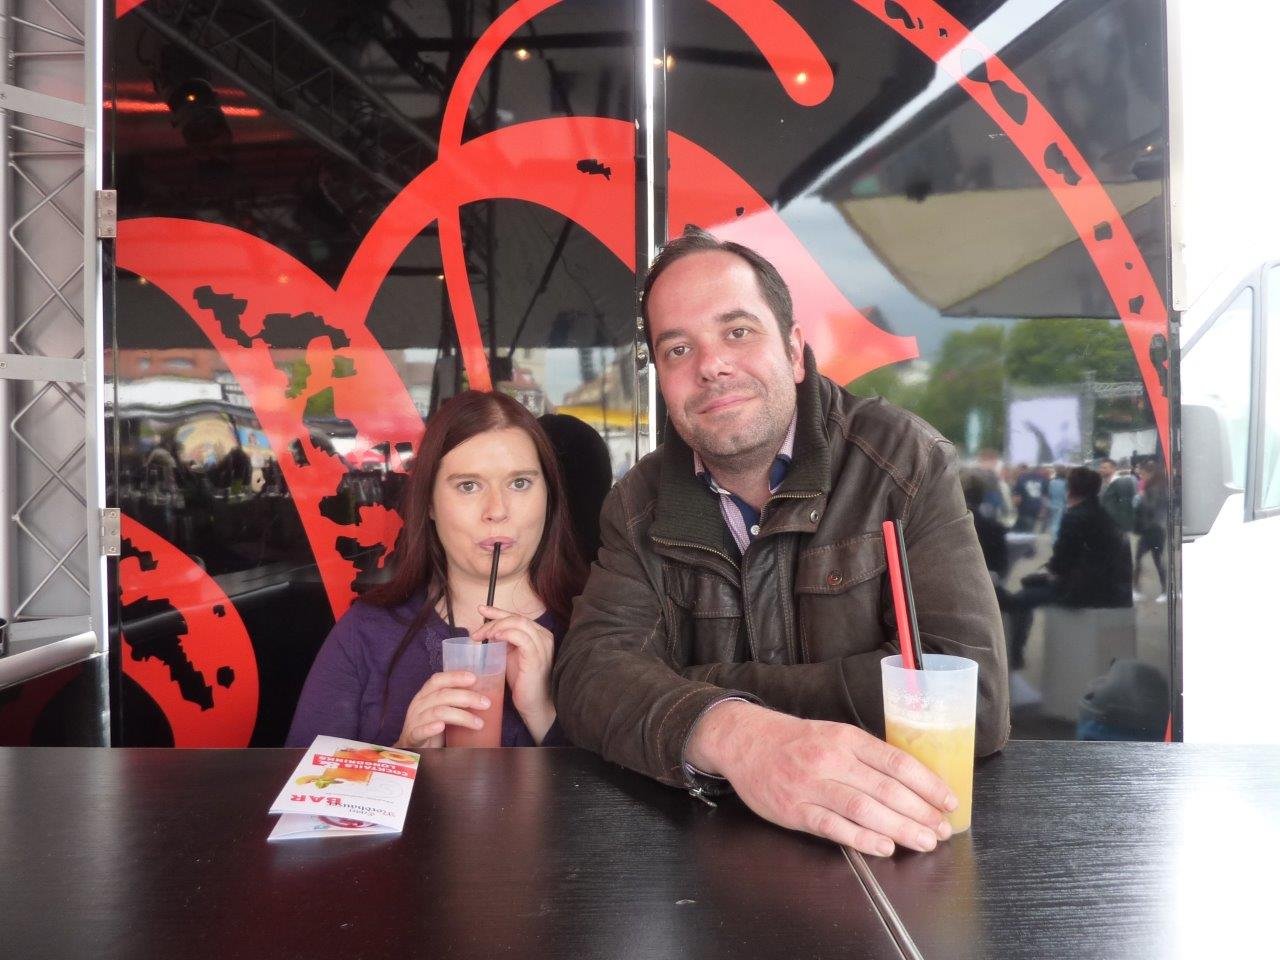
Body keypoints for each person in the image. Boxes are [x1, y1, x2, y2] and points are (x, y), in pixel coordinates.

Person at [553, 228, 1009, 859]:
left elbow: (972, 698)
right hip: (706, 862)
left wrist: (706, 687)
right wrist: (737, 735)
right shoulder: (637, 506)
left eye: (738, 331)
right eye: (678, 348)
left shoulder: (902, 462)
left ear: (794, 351)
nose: (711, 365)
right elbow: (589, 674)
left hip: (899, 843)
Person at [287, 390, 587, 749]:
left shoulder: (595, 631)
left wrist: (543, 713)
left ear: (548, 497)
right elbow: (302, 780)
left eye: (519, 483)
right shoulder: (366, 633)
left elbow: (629, 784)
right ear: (429, 503)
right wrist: (404, 753)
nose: (497, 510)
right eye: (468, 486)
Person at [1003, 466, 1133, 674]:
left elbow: (1061, 564)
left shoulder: (1074, 516)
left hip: (1082, 591)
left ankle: (1014, 654)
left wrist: (1047, 573)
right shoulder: (1102, 514)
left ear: (1070, 489)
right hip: (1108, 589)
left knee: (1021, 599)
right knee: (1031, 583)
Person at [1132, 459, 1168, 602]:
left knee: (1153, 560)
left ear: (1150, 473)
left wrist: (1141, 499)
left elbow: (1151, 507)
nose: (1141, 476)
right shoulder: (1156, 486)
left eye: (1143, 474)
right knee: (1149, 559)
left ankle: (1164, 591)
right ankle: (1137, 589)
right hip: (1154, 529)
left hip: (1153, 530)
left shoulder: (1154, 488)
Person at [1098, 458, 1137, 535]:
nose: (1101, 470)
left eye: (1104, 468)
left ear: (1113, 469)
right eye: (1101, 467)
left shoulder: (1122, 482)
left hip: (1118, 527)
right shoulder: (1101, 484)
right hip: (1104, 524)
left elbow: (1127, 505)